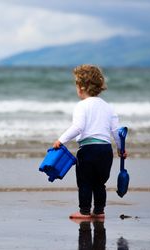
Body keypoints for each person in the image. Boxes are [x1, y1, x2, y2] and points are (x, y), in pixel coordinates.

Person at [53, 64, 127, 219]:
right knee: (100, 183)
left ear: (81, 87)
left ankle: (84, 211)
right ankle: (99, 211)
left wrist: (61, 140)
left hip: (88, 150)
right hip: (105, 151)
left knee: (85, 182)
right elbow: (116, 131)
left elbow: (78, 127)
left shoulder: (81, 106)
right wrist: (121, 149)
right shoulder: (108, 107)